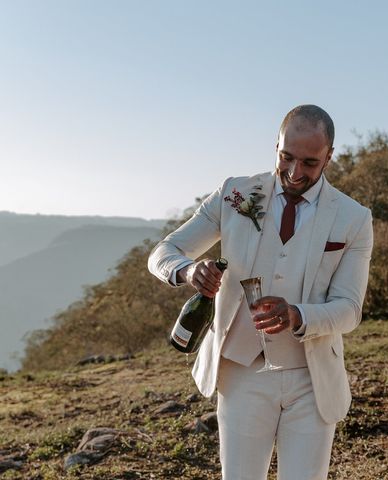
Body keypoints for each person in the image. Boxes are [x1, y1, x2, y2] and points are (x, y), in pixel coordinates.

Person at [148, 105, 373, 480]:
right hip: (241, 372)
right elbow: (163, 253)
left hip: (311, 378)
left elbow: (349, 309)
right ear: (276, 145)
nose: (294, 173)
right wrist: (188, 271)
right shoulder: (234, 195)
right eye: (286, 157)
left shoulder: (353, 218)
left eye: (309, 163)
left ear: (329, 157)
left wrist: (298, 315)